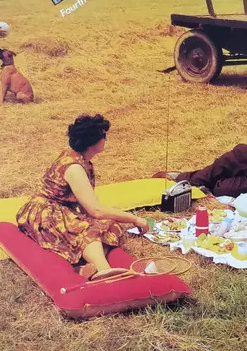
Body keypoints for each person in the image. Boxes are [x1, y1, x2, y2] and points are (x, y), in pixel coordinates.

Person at [16, 114, 149, 280]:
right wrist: (134, 219)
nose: (105, 140)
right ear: (92, 142)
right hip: (45, 213)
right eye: (104, 137)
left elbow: (91, 208)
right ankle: (104, 270)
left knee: (110, 225)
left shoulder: (79, 159)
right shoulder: (74, 168)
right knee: (87, 231)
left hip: (60, 209)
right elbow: (96, 210)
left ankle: (88, 266)